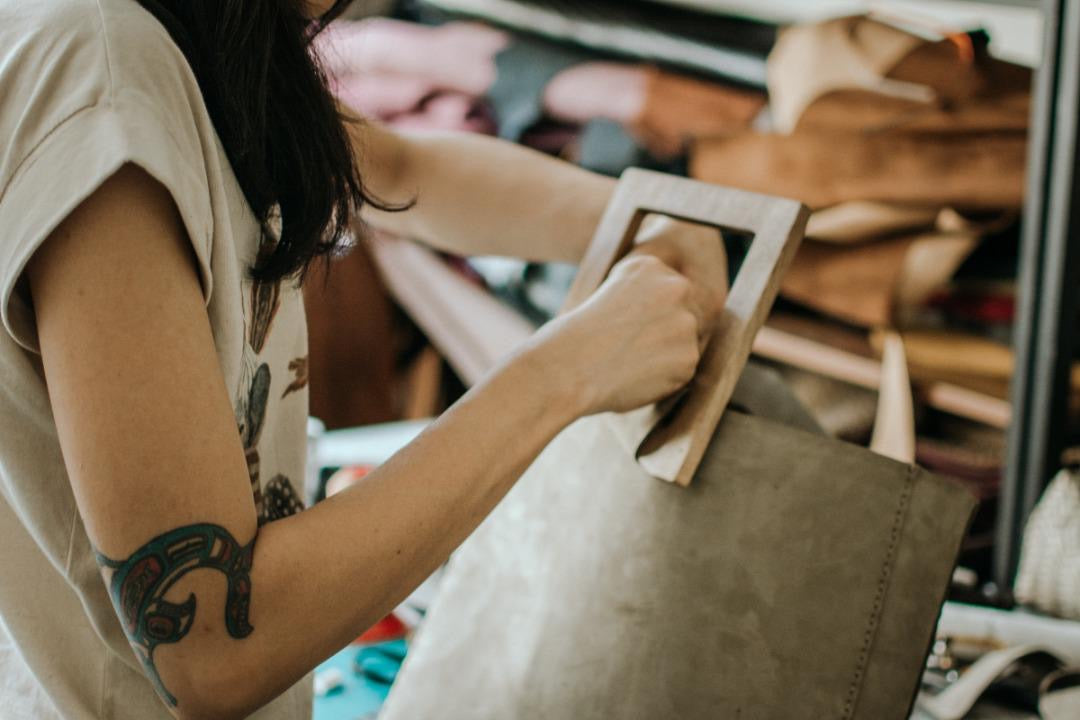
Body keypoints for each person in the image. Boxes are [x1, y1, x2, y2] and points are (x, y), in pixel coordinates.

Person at [0, 1, 727, 718]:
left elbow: (405, 168)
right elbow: (211, 652)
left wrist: (644, 219)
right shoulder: (101, 72)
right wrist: (570, 369)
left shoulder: (200, 34)